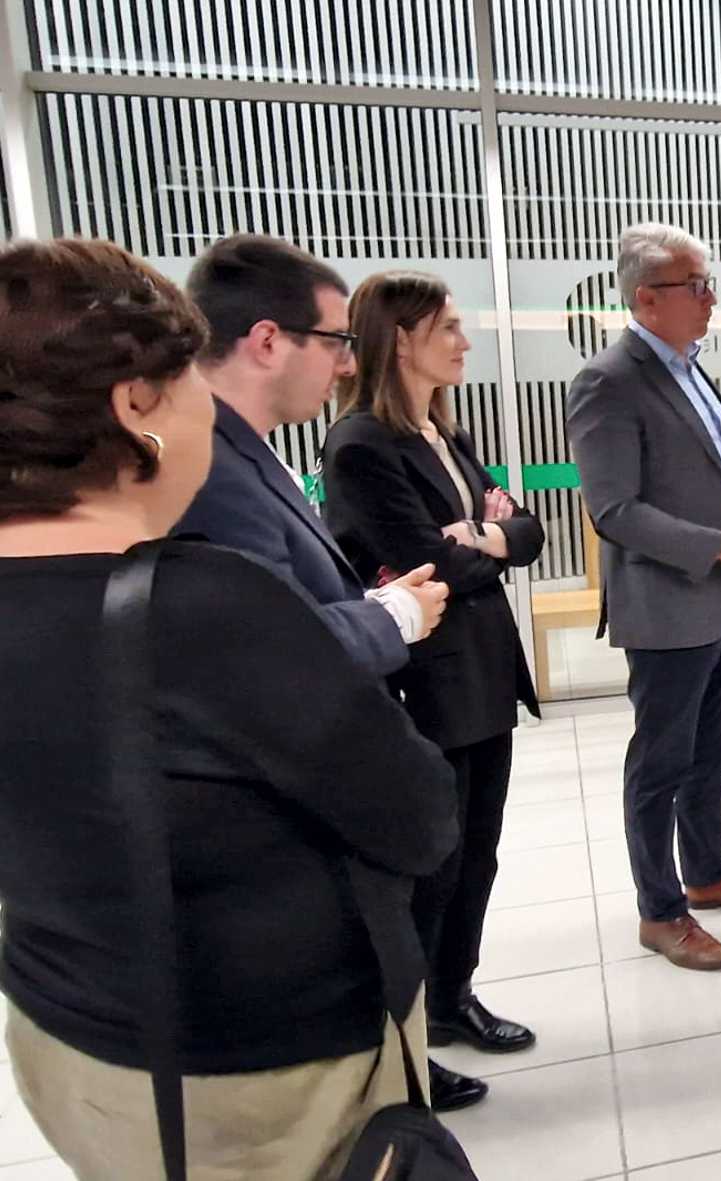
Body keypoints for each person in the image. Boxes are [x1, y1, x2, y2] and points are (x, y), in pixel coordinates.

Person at [0, 239, 457, 1180]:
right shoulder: (204, 605)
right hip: (256, 1062)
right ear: (137, 407)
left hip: (66, 1022)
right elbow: (417, 815)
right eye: (188, 388)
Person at [321, 272, 545, 1086]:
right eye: (447, 326)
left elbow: (530, 532)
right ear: (400, 338)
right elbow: (431, 564)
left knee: (477, 854)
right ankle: (404, 1045)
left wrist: (486, 533)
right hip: (427, 681)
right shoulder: (359, 446)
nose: (463, 340)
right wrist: (490, 539)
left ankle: (452, 996)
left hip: (482, 669)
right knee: (431, 867)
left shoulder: (442, 434)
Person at [567, 222, 721, 973]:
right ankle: (660, 911)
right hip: (670, 601)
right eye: (694, 285)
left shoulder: (690, 366)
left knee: (709, 748)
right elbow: (614, 509)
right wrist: (720, 545)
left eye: (708, 282)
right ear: (645, 297)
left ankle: (707, 872)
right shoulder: (610, 378)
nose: (709, 298)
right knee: (658, 761)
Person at [176, 235, 448, 681]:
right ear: (267, 342)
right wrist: (392, 617)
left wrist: (365, 606)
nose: (348, 366)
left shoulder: (241, 450)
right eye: (336, 341)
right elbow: (272, 647)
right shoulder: (208, 471)